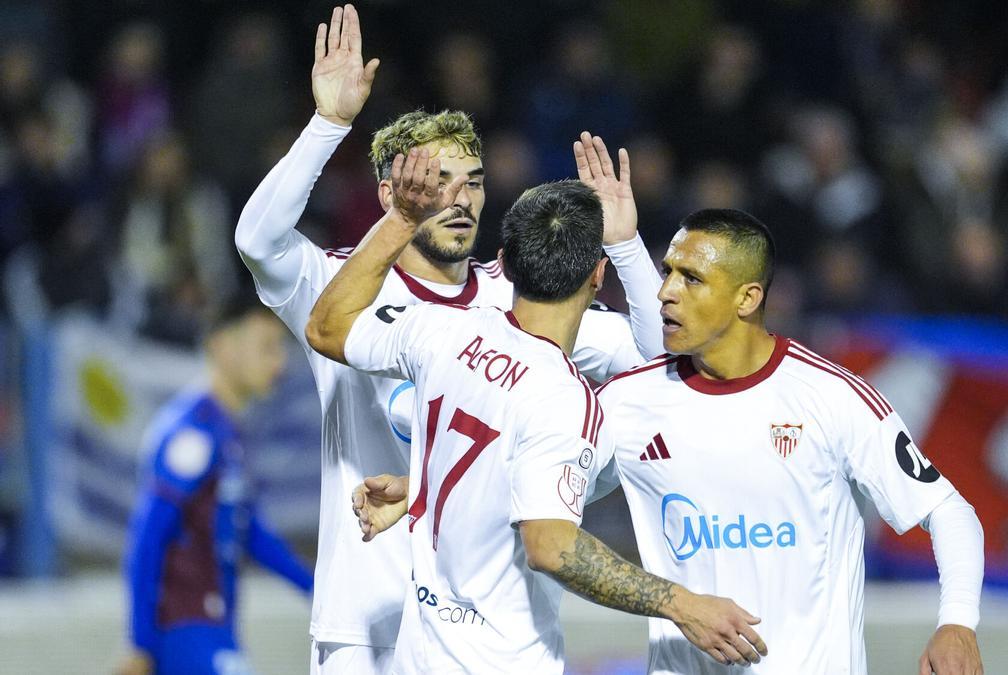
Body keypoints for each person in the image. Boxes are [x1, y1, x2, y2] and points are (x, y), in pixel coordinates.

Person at [233, 5, 664, 672]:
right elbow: (255, 240)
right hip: (366, 618)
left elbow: (654, 356)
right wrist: (328, 126)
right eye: (435, 184)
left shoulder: (520, 297)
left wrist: (627, 248)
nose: (459, 200)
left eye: (472, 182)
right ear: (390, 194)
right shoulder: (343, 283)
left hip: (482, 629)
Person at [304, 149, 767, 673]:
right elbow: (550, 545)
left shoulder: (443, 331)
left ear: (505, 260)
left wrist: (400, 220)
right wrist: (683, 605)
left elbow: (326, 327)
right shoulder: (566, 401)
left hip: (421, 655)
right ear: (597, 276)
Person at [595, 209, 986, 674]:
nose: (665, 293)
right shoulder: (626, 402)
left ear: (747, 298)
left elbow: (949, 511)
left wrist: (958, 623)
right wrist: (672, 603)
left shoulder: (830, 396)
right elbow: (547, 525)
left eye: (691, 278)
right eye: (667, 273)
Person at [119, 296, 314, 675]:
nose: (280, 362)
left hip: (216, 630)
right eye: (267, 348)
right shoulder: (191, 434)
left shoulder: (227, 432)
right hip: (184, 632)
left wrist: (318, 591)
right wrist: (140, 642)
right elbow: (146, 537)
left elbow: (251, 532)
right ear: (223, 347)